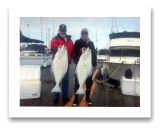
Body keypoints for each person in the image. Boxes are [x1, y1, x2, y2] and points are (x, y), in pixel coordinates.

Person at [50, 24, 75, 103]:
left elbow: (72, 51)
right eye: (61, 31)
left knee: (65, 80)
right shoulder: (55, 39)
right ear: (58, 31)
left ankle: (65, 96)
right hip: (58, 63)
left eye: (64, 31)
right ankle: (56, 96)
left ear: (66, 31)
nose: (63, 32)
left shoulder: (70, 41)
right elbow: (53, 49)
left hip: (65, 64)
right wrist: (58, 48)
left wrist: (74, 59)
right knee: (56, 79)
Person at [73, 28, 97, 106]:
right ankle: (76, 99)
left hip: (88, 66)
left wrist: (94, 65)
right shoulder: (77, 42)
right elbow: (74, 51)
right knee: (77, 82)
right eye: (83, 33)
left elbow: (94, 54)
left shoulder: (91, 43)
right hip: (80, 65)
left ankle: (87, 97)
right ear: (81, 34)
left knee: (89, 82)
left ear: (87, 34)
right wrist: (80, 50)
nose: (84, 35)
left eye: (85, 33)